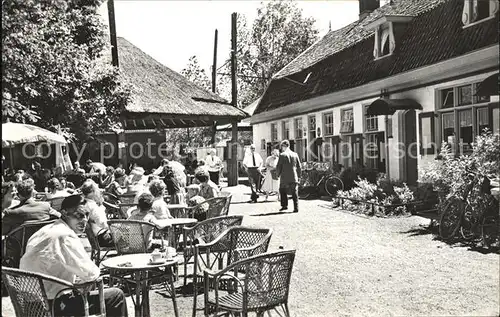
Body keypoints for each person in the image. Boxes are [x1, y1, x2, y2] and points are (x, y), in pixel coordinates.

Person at [19, 195, 128, 317]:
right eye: (79, 215)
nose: (85, 220)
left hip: (31, 306)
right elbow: (91, 274)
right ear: (64, 213)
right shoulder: (65, 235)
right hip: (54, 305)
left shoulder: (44, 231)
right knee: (116, 295)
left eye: (87, 215)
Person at [81, 180, 114, 247]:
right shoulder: (93, 207)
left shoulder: (86, 204)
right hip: (103, 238)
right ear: (93, 192)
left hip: (96, 237)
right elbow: (102, 223)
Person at [276, 140, 302, 213]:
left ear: (284, 146)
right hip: (294, 176)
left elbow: (279, 166)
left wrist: (278, 174)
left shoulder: (282, 155)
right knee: (295, 192)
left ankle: (284, 205)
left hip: (284, 177)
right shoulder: (295, 154)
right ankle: (296, 207)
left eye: (282, 146)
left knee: (282, 190)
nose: (281, 148)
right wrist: (299, 176)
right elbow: (299, 167)